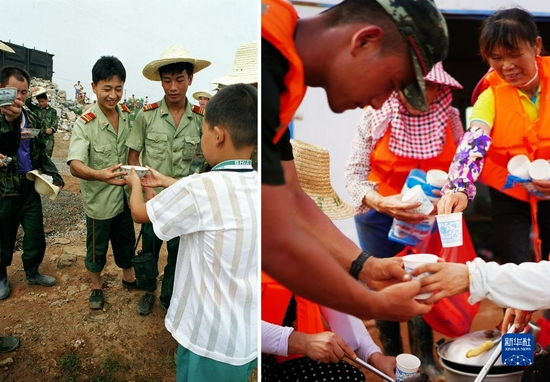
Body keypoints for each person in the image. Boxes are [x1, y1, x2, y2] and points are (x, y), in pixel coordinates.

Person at [262, 0, 449, 320]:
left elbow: (291, 193)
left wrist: (365, 265)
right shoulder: (265, 69)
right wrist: (372, 305)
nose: (379, 102)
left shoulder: (287, 76)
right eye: (391, 84)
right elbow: (276, 240)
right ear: (364, 41)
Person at [125, 83, 257, 381]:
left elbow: (139, 213)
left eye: (203, 132)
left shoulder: (199, 187)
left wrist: (136, 183)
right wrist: (167, 181)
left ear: (218, 134)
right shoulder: (262, 186)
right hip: (246, 339)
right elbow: (207, 198)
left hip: (208, 341)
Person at [344, 62, 463, 380]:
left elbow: (463, 175)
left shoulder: (450, 117)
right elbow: (353, 176)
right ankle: (395, 359)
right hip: (380, 217)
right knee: (382, 285)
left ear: (442, 89)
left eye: (432, 86)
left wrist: (452, 198)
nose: (424, 93)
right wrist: (382, 202)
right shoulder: (375, 113)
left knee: (424, 283)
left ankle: (425, 359)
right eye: (415, 85)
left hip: (430, 221)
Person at [125, 44, 211, 316]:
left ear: (190, 80)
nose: (173, 87)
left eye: (179, 79)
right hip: (154, 200)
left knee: (179, 254)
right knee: (149, 250)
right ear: (160, 81)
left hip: (185, 202)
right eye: (167, 80)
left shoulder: (201, 119)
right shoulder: (146, 115)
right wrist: (145, 190)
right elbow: (133, 157)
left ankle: (169, 296)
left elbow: (209, 163)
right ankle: (148, 290)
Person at [67, 56, 138, 310]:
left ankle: (129, 278)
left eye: (118, 89)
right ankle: (96, 287)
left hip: (125, 199)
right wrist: (102, 175)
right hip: (99, 202)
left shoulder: (128, 116)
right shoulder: (85, 122)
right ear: (94, 86)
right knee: (96, 249)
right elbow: (75, 164)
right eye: (107, 89)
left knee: (126, 239)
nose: (113, 95)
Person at [0, 66, 63, 300]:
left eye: (24, 92)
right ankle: (1, 276)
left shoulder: (33, 116)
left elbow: (38, 151)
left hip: (29, 185)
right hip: (5, 188)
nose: (19, 97)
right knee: (3, 235)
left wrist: (53, 172)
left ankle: (32, 271)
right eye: (14, 91)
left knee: (35, 234)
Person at [27, 88, 58, 157]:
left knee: (47, 157)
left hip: (48, 138)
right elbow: (27, 104)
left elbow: (55, 122)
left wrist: (52, 129)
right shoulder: (35, 110)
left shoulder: (52, 111)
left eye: (42, 101)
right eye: (39, 102)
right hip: (37, 137)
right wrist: (30, 93)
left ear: (47, 100)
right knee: (36, 156)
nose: (41, 103)